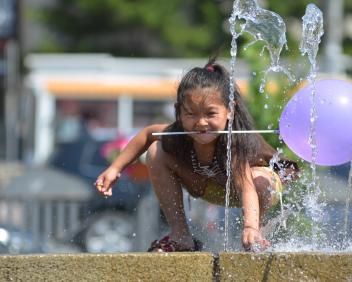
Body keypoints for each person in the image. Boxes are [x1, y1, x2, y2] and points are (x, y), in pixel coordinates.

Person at [95, 57, 298, 252]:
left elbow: (247, 188)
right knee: (156, 150)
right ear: (179, 111)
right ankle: (181, 235)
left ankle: (256, 236)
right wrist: (115, 168)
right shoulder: (177, 133)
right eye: (191, 114)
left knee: (258, 181)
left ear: (230, 111)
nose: (201, 123)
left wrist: (250, 227)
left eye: (210, 114)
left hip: (256, 186)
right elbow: (148, 134)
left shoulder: (233, 144)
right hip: (211, 185)